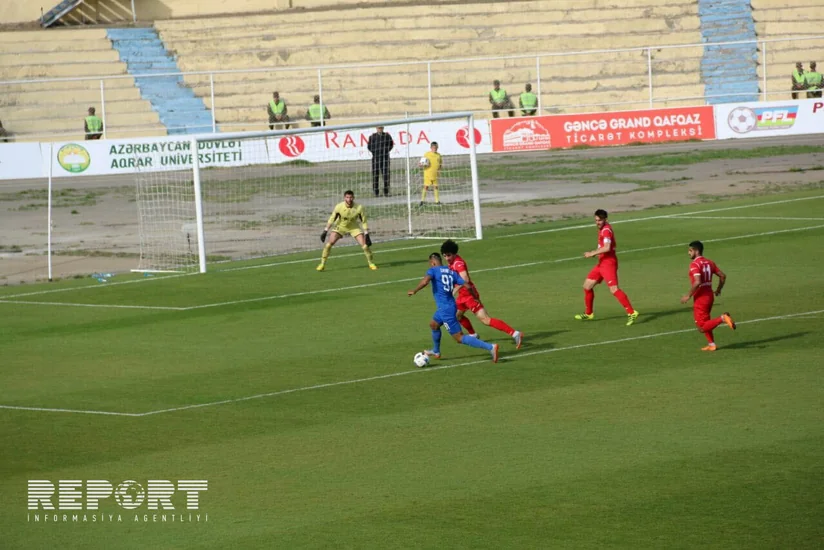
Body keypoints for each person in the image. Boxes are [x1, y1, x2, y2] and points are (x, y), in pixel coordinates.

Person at [407, 252, 499, 363]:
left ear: (432, 262)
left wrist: (415, 290)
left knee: (459, 338)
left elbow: (425, 281)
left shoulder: (433, 270)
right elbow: (468, 285)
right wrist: (475, 297)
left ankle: (490, 347)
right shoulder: (451, 272)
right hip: (449, 305)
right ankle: (436, 351)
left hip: (446, 310)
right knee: (434, 324)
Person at [440, 239, 522, 349]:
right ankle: (473, 334)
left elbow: (465, 278)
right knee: (458, 316)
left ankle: (515, 333)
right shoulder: (451, 263)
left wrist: (454, 290)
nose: (447, 258)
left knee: (485, 320)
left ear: (454, 253)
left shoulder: (458, 263)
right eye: (444, 256)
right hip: (462, 296)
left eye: (449, 255)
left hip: (470, 295)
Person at [574, 209, 639, 325]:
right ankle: (589, 314)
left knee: (614, 289)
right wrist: (598, 253)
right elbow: (604, 247)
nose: (597, 222)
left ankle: (631, 312)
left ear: (605, 219)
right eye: (596, 220)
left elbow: (607, 247)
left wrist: (592, 253)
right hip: (602, 263)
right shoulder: (602, 229)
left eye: (599, 220)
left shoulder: (606, 231)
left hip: (608, 264)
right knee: (587, 286)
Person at [679, 240, 736, 351]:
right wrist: (718, 289)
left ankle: (723, 318)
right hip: (710, 295)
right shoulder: (709, 262)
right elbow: (722, 276)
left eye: (690, 250)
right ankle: (711, 344)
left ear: (696, 251)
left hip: (701, 298)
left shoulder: (694, 264)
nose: (688, 253)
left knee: (701, 327)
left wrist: (688, 295)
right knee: (706, 321)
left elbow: (697, 282)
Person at [317, 190, 376, 271]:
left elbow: (364, 221)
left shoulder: (359, 207)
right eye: (347, 197)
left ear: (353, 198)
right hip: (340, 226)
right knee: (328, 245)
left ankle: (371, 263)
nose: (349, 199)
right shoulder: (339, 207)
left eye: (351, 197)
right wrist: (325, 230)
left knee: (365, 246)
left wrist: (366, 234)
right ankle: (322, 264)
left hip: (353, 227)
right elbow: (332, 219)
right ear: (344, 198)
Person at [367, 126, 394, 197]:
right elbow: (369, 146)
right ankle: (376, 192)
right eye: (378, 128)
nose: (380, 129)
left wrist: (386, 150)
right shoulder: (372, 136)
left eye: (381, 128)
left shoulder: (387, 136)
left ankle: (386, 191)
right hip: (376, 158)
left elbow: (391, 144)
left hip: (385, 158)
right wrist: (375, 152)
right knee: (375, 175)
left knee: (386, 175)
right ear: (376, 128)